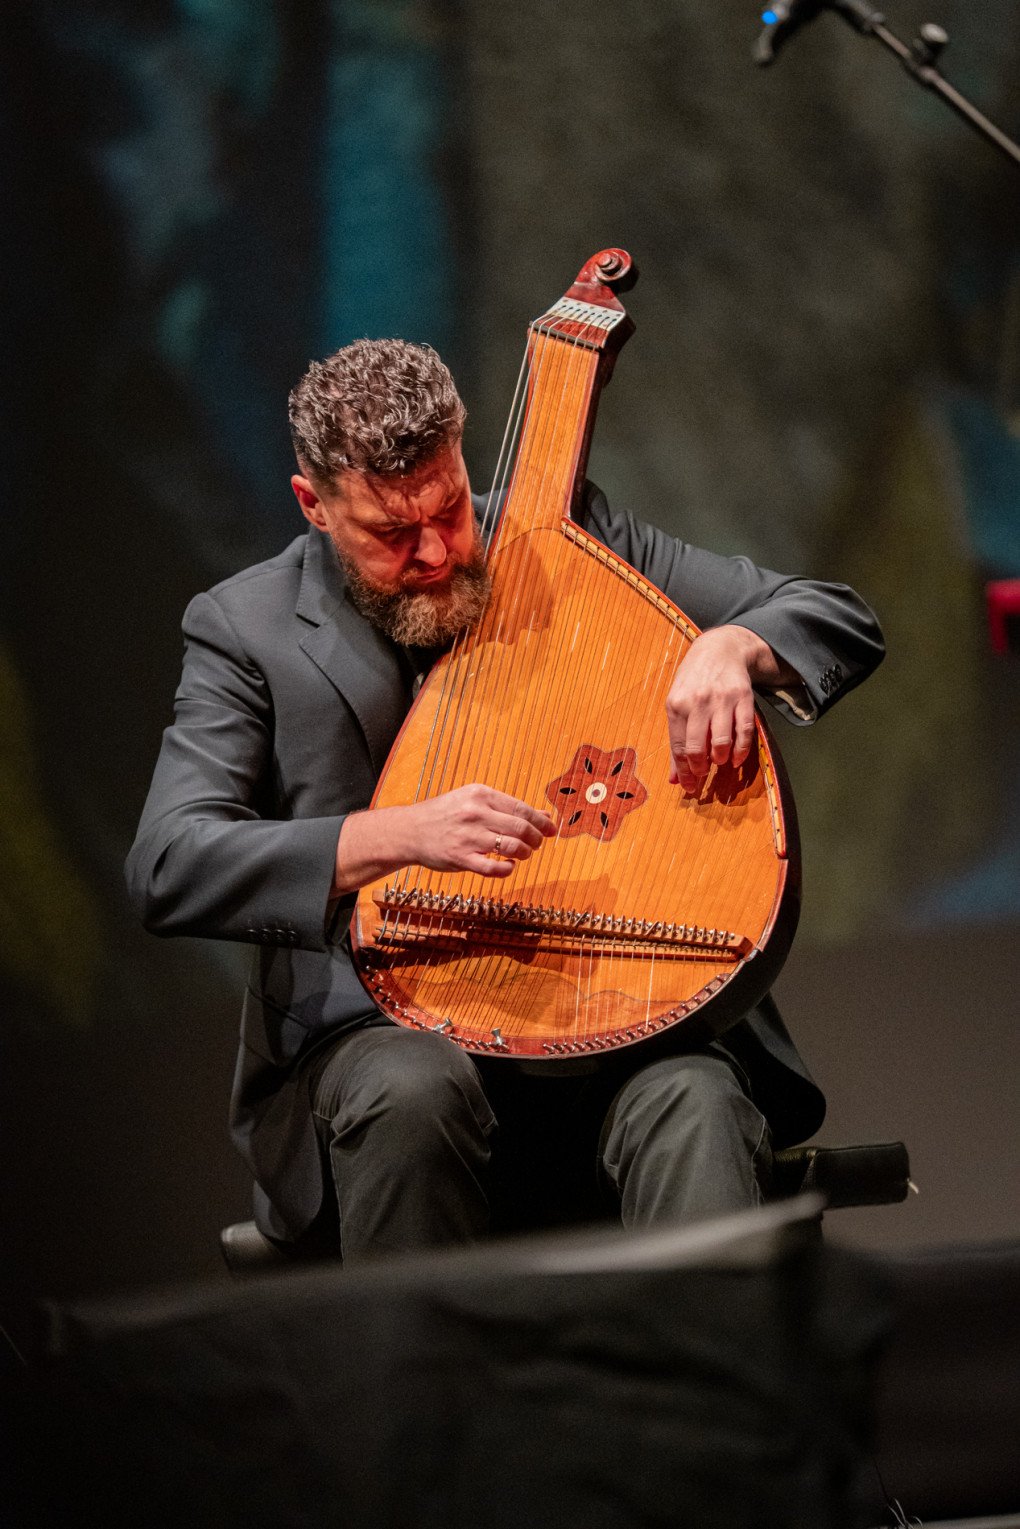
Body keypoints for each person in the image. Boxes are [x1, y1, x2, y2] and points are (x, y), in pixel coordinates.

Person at [126, 338, 884, 1261]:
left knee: (698, 1098)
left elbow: (834, 614)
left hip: (614, 1020)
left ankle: (707, 1396)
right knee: (414, 1091)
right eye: (391, 535)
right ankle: (424, 1400)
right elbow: (169, 863)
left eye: (448, 509)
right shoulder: (244, 629)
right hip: (382, 1039)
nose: (438, 551)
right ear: (313, 506)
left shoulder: (566, 536)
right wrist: (391, 835)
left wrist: (733, 647)